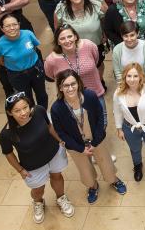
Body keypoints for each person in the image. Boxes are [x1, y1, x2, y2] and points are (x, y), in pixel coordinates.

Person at [0, 93, 75, 224]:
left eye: (25, 107)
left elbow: (49, 126)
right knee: (38, 190)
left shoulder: (39, 111)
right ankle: (38, 202)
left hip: (53, 153)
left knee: (57, 176)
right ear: (10, 112)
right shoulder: (6, 133)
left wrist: (60, 140)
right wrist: (20, 170)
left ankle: (61, 198)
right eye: (17, 110)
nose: (23, 113)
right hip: (32, 165)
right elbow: (8, 153)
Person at [50, 70, 124, 202]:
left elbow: (100, 116)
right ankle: (93, 186)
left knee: (105, 162)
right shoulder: (56, 108)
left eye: (73, 84)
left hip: (96, 138)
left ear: (78, 83)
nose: (70, 88)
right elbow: (61, 133)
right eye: (66, 85)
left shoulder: (90, 96)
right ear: (60, 88)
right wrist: (80, 149)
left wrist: (96, 141)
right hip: (75, 144)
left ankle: (114, 180)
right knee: (84, 169)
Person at [112, 62, 145, 182]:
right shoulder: (118, 92)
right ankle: (137, 166)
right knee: (134, 149)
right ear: (124, 77)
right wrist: (119, 129)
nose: (132, 79)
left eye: (135, 76)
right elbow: (117, 112)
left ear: (141, 76)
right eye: (129, 76)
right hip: (129, 128)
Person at [44, 25, 105, 118]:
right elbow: (51, 76)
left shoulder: (89, 46)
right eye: (62, 38)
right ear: (58, 42)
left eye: (70, 36)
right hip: (70, 99)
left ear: (75, 36)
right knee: (77, 128)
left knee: (102, 122)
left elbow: (96, 60)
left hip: (96, 93)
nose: (67, 41)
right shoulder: (51, 60)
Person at [53, 0, 106, 77]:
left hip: (96, 45)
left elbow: (104, 21)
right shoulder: (61, 10)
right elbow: (57, 30)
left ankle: (99, 83)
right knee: (77, 70)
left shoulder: (96, 5)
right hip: (72, 48)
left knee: (98, 65)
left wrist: (105, 35)